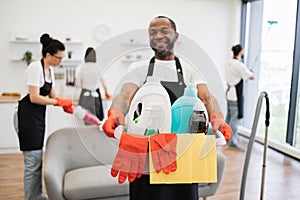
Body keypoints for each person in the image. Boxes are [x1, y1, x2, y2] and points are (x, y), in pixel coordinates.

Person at [102, 16, 232, 200]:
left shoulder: (189, 68)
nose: (158, 36)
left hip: (183, 152)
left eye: (164, 31)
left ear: (176, 36)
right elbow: (125, 95)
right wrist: (114, 113)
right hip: (147, 152)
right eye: (152, 32)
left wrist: (217, 117)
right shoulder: (139, 67)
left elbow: (205, 96)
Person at [17, 33, 73, 200]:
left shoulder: (50, 70)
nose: (60, 62)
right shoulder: (35, 68)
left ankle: (38, 195)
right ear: (48, 55)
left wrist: (64, 103)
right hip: (26, 118)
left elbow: (51, 94)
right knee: (32, 163)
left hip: (37, 118)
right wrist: (57, 102)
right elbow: (34, 97)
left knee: (37, 160)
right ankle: (31, 198)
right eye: (58, 58)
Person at [225, 44, 254, 151]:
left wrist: (247, 72)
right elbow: (251, 77)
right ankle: (232, 142)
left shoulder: (229, 63)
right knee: (234, 120)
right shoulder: (239, 65)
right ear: (240, 52)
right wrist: (250, 72)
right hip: (235, 96)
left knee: (229, 118)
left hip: (229, 94)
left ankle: (226, 138)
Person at [75, 47, 111, 123]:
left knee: (85, 118)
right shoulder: (99, 68)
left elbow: (77, 85)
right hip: (96, 96)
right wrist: (106, 93)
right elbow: (104, 84)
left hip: (84, 95)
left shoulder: (80, 68)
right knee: (97, 120)